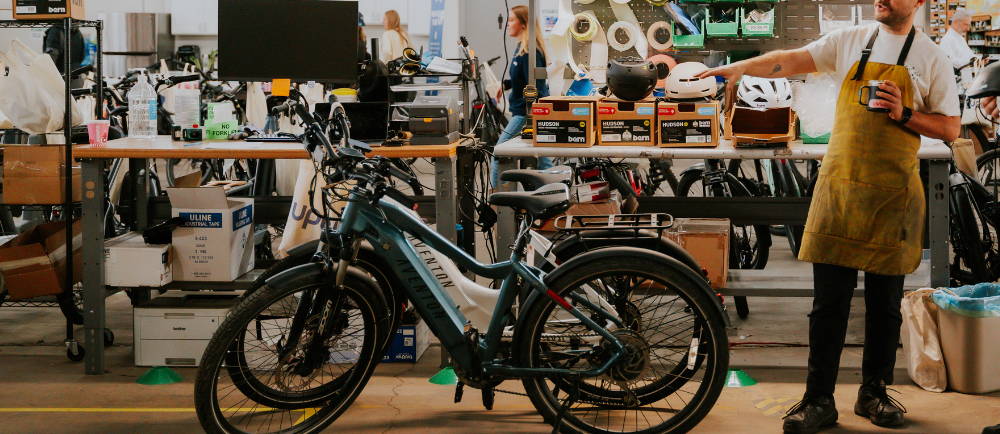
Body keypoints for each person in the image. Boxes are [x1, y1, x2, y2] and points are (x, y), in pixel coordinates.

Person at [698, 0, 960, 432]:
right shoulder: (851, 42)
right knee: (828, 306)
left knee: (885, 306)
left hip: (891, 197)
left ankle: (873, 394)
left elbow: (950, 127)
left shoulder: (931, 57)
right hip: (840, 189)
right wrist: (741, 68)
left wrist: (906, 114)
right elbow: (788, 60)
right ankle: (817, 400)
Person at [492, 5, 551, 187]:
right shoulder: (522, 49)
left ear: (524, 24)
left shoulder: (533, 53)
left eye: (511, 20)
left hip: (526, 113)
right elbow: (524, 80)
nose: (507, 25)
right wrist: (506, 84)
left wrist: (532, 116)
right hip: (526, 112)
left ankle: (497, 204)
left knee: (499, 152)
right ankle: (553, 196)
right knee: (543, 160)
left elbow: (538, 88)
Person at [939, 8, 977, 88]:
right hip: (956, 86)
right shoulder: (947, 40)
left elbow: (970, 55)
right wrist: (970, 62)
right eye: (966, 24)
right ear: (956, 22)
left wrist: (979, 59)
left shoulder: (960, 38)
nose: (968, 28)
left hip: (966, 83)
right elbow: (949, 62)